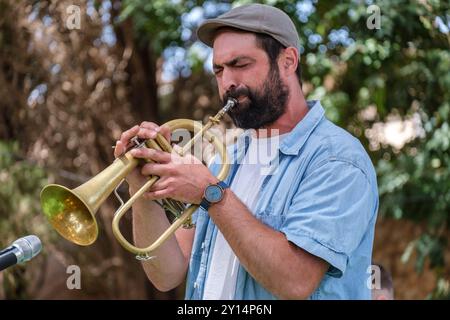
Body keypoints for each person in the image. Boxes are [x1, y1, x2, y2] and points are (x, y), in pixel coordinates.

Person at [114, 4, 379, 299]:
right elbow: (167, 275)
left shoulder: (337, 159)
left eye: (240, 64)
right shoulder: (227, 160)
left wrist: (211, 194)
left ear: (288, 61)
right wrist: (143, 189)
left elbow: (295, 281)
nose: (227, 82)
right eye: (218, 70)